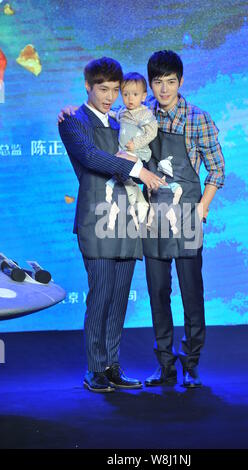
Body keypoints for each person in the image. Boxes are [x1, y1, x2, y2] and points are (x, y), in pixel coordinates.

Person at [58, 57, 165, 393]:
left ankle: (111, 366)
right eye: (102, 89)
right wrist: (137, 170)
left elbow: (146, 136)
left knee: (119, 299)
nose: (109, 96)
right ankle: (94, 369)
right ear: (88, 86)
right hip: (97, 219)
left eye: (115, 90)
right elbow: (91, 157)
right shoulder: (73, 122)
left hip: (128, 219)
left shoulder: (123, 123)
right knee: (101, 296)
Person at [141, 50, 225, 388]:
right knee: (158, 292)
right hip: (152, 216)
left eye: (170, 82)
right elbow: (105, 116)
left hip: (188, 212)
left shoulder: (198, 118)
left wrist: (203, 207)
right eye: (158, 83)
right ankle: (165, 365)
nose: (164, 89)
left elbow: (217, 169)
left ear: (181, 81)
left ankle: (191, 363)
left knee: (192, 292)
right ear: (150, 83)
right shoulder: (139, 113)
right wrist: (73, 112)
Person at [107, 72, 158, 229]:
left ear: (143, 96)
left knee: (122, 174)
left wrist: (136, 143)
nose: (130, 99)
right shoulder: (123, 111)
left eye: (135, 94)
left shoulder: (144, 113)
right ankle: (140, 204)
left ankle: (142, 205)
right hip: (123, 152)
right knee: (123, 179)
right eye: (126, 94)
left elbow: (152, 131)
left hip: (137, 153)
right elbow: (115, 115)